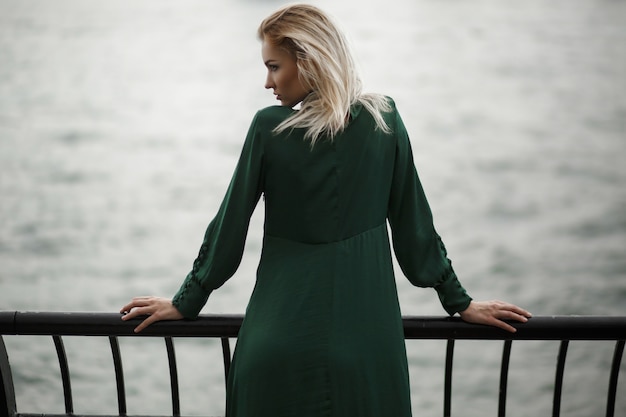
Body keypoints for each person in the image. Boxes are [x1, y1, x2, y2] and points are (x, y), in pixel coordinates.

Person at [120, 4, 531, 416]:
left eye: (274, 67)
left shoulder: (270, 129)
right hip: (369, 355)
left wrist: (186, 301)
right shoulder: (384, 121)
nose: (268, 82)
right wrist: (459, 302)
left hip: (274, 350)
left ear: (308, 60)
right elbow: (415, 230)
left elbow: (228, 230)